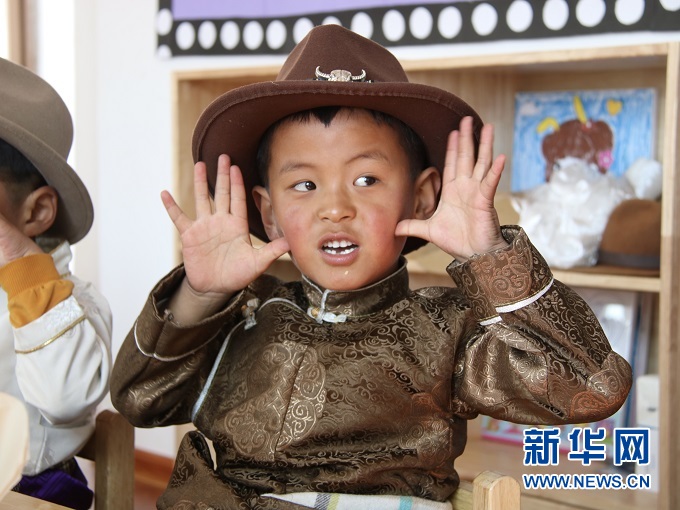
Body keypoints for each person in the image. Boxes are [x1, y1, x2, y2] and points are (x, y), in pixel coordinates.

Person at [111, 25, 631, 510]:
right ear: (268, 213)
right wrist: (200, 294)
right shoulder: (243, 308)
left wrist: (490, 257)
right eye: (304, 185)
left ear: (421, 197)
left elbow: (594, 387)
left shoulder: (448, 328)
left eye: (366, 180)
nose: (335, 208)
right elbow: (138, 401)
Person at [0, 57, 112, 509]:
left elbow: (66, 399)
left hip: (30, 490)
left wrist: (21, 265)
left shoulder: (76, 305)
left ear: (36, 212)